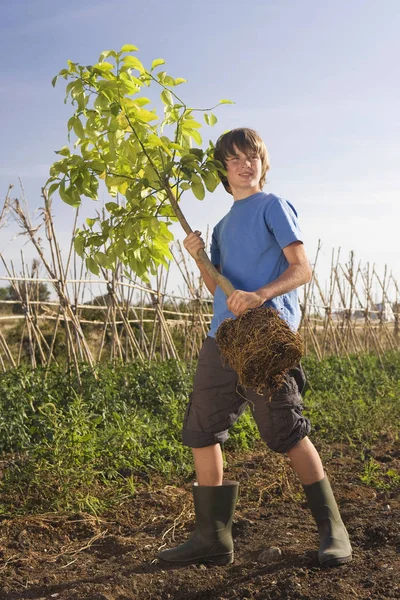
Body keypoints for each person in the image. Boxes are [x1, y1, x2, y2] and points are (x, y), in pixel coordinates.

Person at [158, 128, 352, 568]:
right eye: (235, 159)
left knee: (285, 430)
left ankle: (333, 529)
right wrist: (199, 256)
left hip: (265, 334)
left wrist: (261, 295)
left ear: (263, 164)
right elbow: (216, 287)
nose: (246, 164)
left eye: (253, 157)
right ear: (223, 171)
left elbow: (302, 269)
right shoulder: (224, 225)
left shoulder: (273, 206)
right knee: (201, 430)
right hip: (221, 339)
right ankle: (213, 537)